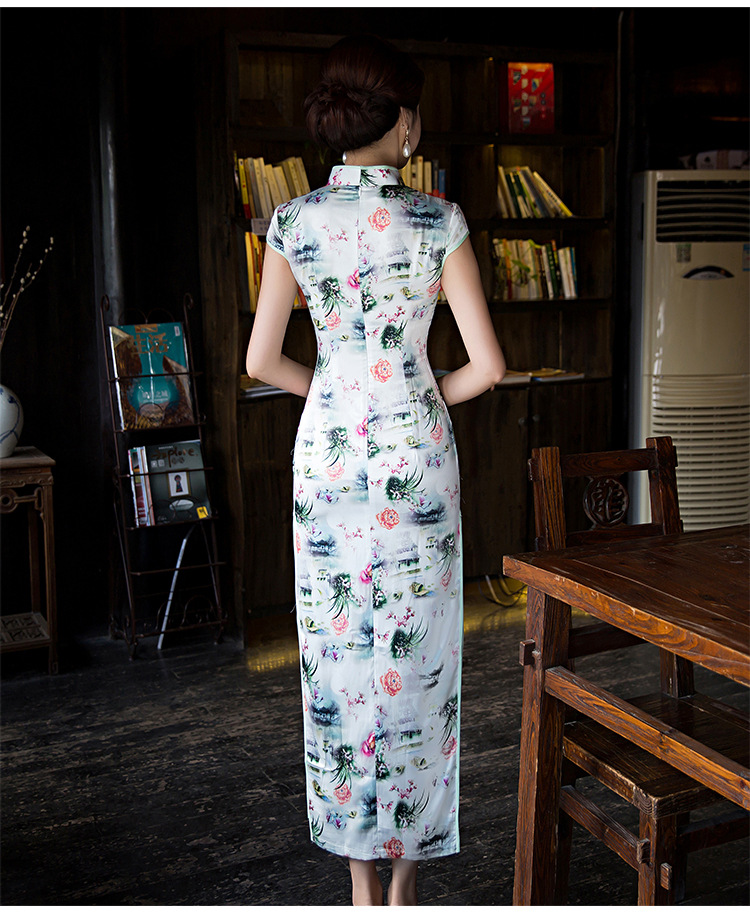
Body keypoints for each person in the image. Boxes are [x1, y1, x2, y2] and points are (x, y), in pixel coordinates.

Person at [245, 34, 506, 906]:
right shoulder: (440, 220)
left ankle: (359, 885)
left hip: (327, 462)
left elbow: (260, 360)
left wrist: (330, 388)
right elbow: (487, 367)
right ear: (403, 126)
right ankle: (404, 883)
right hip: (416, 458)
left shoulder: (293, 222)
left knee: (340, 663)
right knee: (420, 655)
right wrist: (420, 393)